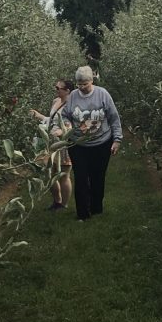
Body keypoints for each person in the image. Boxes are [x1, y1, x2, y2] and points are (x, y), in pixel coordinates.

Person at [60, 66, 122, 221]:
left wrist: (117, 140)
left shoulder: (103, 94)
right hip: (78, 145)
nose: (82, 87)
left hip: (101, 144)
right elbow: (65, 115)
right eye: (79, 84)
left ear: (92, 81)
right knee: (80, 178)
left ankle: (96, 208)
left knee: (97, 177)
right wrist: (66, 125)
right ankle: (82, 213)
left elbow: (114, 118)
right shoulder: (73, 96)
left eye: (85, 84)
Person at [29, 79, 74, 210]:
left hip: (63, 143)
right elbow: (51, 120)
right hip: (50, 143)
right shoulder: (56, 101)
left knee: (64, 175)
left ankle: (64, 204)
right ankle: (57, 201)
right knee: (50, 173)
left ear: (67, 91)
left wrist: (62, 132)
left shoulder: (72, 105)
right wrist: (39, 116)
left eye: (58, 88)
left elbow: (72, 125)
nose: (56, 90)